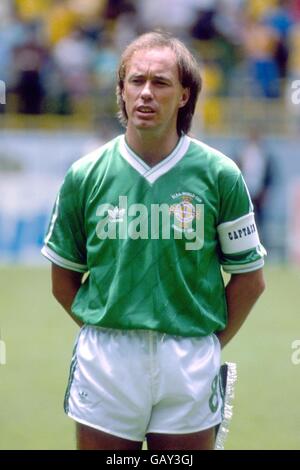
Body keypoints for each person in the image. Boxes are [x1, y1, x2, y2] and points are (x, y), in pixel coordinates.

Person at [42, 31, 266, 450]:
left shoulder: (220, 175)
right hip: (107, 359)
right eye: (135, 81)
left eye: (160, 82)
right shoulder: (85, 175)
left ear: (184, 95)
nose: (146, 93)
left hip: (190, 357)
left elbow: (250, 279)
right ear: (121, 91)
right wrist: (112, 326)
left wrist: (204, 344)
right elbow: (62, 279)